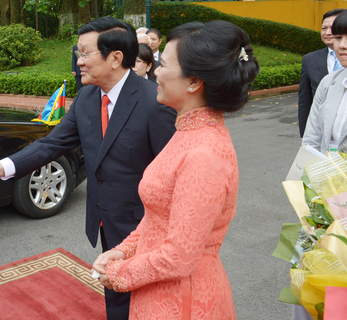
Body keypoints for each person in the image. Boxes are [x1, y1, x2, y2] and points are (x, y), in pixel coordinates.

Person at [0, 16, 177, 320]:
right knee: (114, 292)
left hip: (145, 229)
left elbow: (172, 178)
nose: (79, 62)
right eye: (78, 53)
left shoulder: (155, 103)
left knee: (147, 302)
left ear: (115, 58)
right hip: (105, 221)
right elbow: (51, 144)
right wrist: (1, 168)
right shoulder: (88, 97)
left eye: (85, 54)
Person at [92, 20, 260, 320]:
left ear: (194, 82)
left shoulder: (204, 153)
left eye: (164, 64)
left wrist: (119, 274)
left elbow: (178, 257)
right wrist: (124, 250)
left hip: (183, 299)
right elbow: (160, 215)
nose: (155, 71)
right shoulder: (187, 130)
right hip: (159, 289)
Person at [303, 7, 347, 153]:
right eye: (338, 38)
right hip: (327, 173)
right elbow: (312, 139)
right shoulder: (328, 82)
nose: (342, 45)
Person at [298, 8, 346, 137]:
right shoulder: (310, 59)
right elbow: (305, 101)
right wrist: (305, 135)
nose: (327, 32)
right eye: (324, 28)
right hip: (321, 131)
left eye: (333, 28)